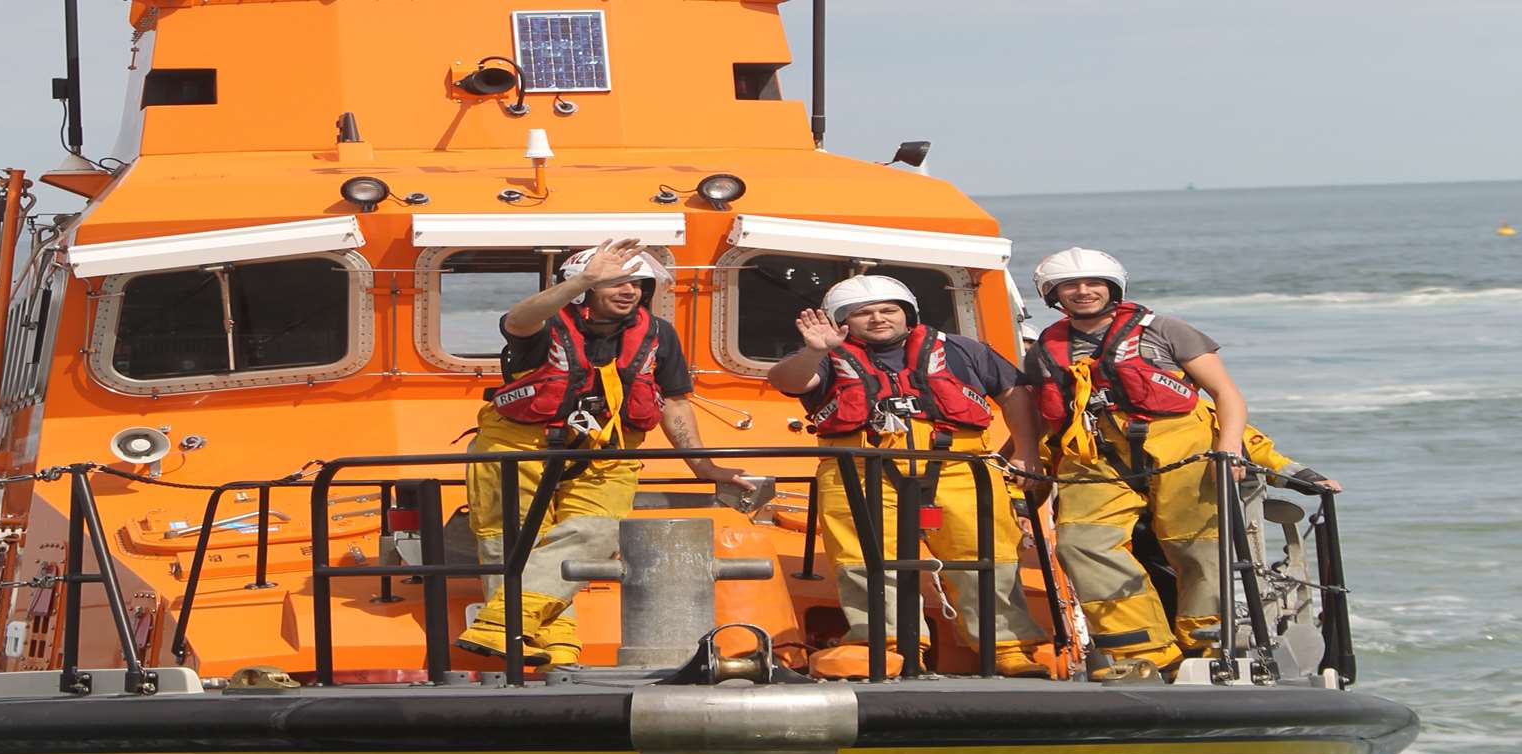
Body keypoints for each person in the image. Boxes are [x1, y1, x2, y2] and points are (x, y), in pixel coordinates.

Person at [1023, 247, 1336, 680]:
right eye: (1070, 285)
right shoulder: (1045, 349)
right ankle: (1147, 652)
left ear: (1113, 286)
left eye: (1093, 282)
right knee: (1080, 544)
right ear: (1051, 293)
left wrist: (1227, 452)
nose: (1083, 291)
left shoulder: (1166, 331)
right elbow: (1044, 418)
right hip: (1096, 459)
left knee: (1198, 550)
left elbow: (1226, 395)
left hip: (1180, 450)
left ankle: (1205, 647)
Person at [457, 239, 750, 666]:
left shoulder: (658, 334)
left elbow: (675, 401)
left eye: (636, 282)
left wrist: (705, 468)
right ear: (583, 289)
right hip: (516, 449)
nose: (628, 290)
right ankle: (555, 645)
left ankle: (501, 624)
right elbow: (517, 321)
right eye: (615, 281)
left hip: (609, 457)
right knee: (513, 544)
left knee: (596, 534)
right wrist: (584, 276)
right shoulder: (545, 323)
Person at [766, 275, 1053, 679]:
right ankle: (892, 651)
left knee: (986, 556)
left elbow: (1014, 393)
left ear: (908, 313)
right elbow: (787, 382)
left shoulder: (962, 351)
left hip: (959, 468)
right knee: (867, 563)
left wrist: (1026, 454)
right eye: (863, 313)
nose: (878, 318)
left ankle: (1008, 648)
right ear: (842, 321)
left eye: (888, 310)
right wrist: (814, 350)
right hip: (861, 472)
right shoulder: (825, 358)